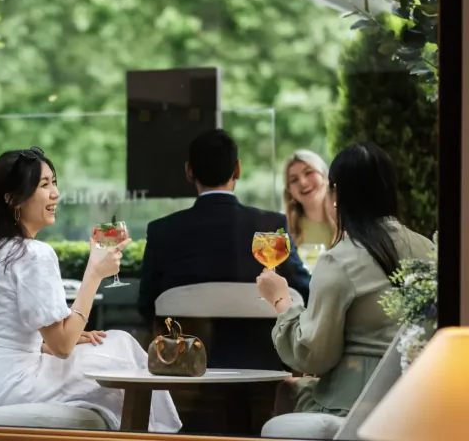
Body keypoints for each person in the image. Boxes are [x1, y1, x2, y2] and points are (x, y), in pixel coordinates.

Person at [0, 146, 182, 433]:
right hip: (12, 387)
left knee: (115, 344)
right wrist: (94, 273)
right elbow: (62, 346)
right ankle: (158, 435)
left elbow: (3, 331)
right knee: (121, 351)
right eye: (44, 185)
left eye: (54, 183)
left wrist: (55, 341)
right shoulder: (33, 254)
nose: (55, 194)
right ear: (12, 199)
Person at [256, 142, 434, 416]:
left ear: (336, 193)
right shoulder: (429, 249)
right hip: (418, 398)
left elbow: (312, 355)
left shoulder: (339, 260)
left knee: (285, 389)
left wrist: (281, 299)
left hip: (354, 406)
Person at [138, 128, 311, 369]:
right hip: (268, 374)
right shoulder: (271, 226)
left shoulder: (162, 231)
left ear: (189, 172)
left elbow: (146, 305)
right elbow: (304, 292)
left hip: (188, 376)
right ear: (238, 169)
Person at [282, 149, 336, 247]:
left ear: (324, 175)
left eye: (308, 172)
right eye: (294, 180)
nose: (303, 182)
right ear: (289, 191)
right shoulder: (283, 231)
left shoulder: (349, 224)